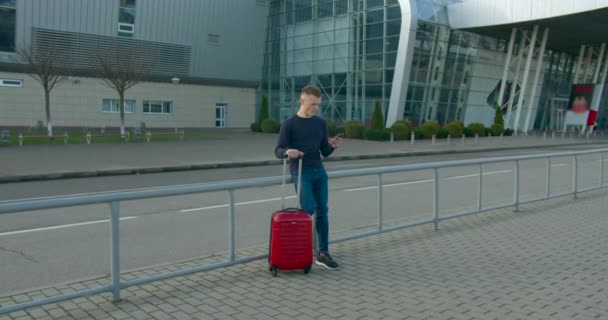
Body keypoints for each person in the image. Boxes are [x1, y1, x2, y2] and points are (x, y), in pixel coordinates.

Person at [274, 85, 343, 270]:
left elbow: (324, 151)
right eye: (313, 104)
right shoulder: (289, 124)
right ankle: (302, 251)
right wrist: (288, 151)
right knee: (308, 210)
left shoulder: (320, 123)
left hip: (319, 171)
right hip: (301, 171)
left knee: (323, 211)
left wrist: (333, 145)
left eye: (318, 105)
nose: (316, 108)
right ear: (302, 101)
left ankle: (323, 253)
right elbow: (278, 150)